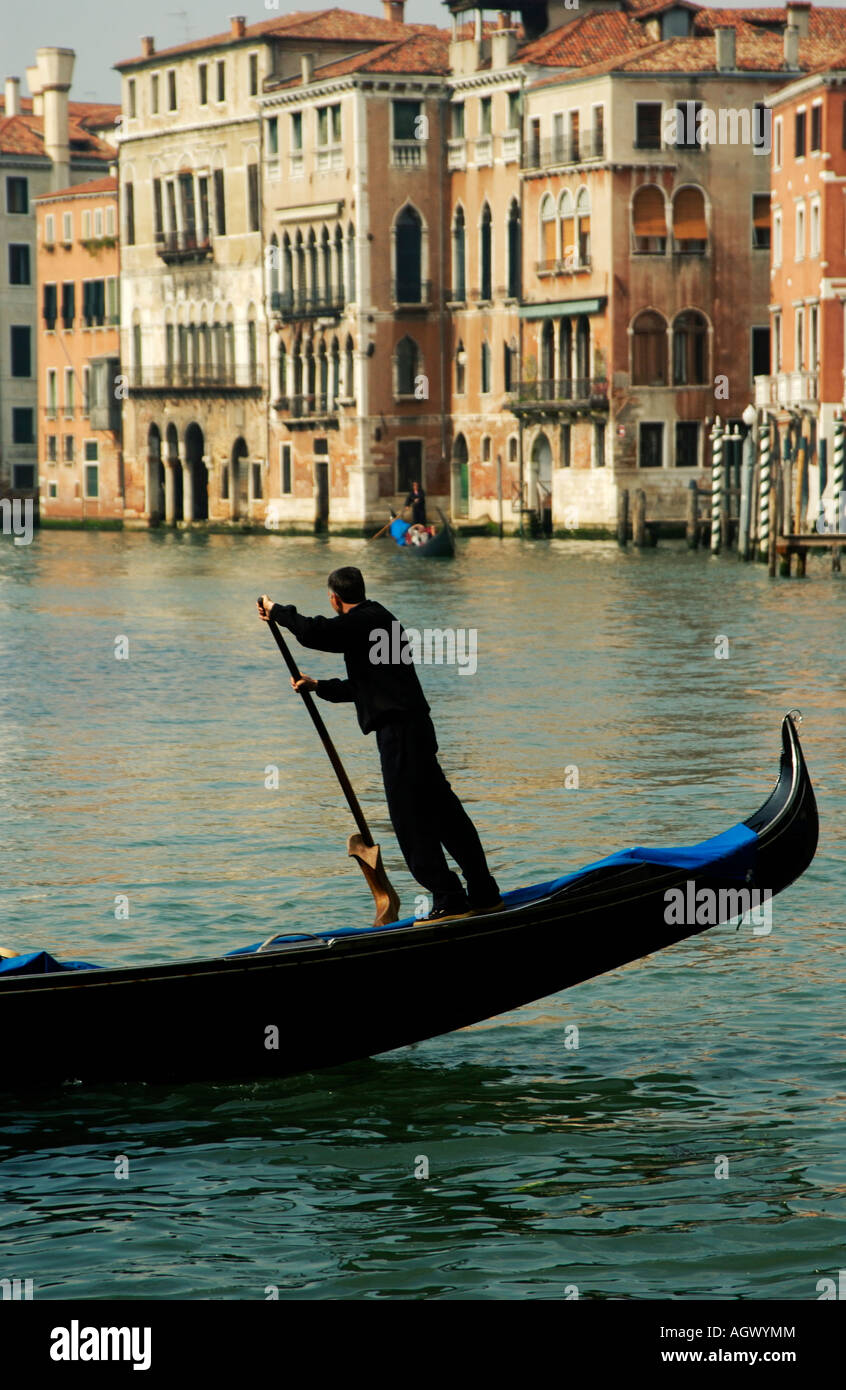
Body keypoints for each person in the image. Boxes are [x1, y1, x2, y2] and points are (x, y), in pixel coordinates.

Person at [257, 568, 501, 921]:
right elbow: (364, 688)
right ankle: (484, 893)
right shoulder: (383, 620)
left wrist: (277, 611)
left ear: (335, 599)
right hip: (415, 729)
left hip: (399, 736)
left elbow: (315, 633)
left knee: (411, 820)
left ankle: (449, 899)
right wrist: (319, 686)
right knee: (445, 814)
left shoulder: (362, 621)